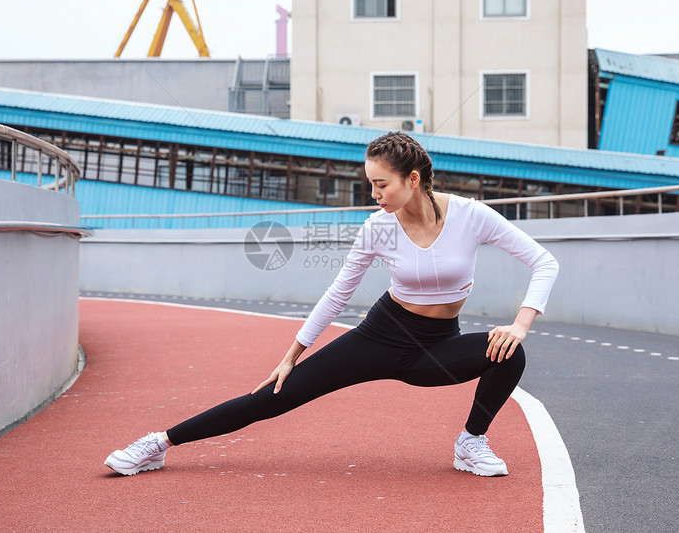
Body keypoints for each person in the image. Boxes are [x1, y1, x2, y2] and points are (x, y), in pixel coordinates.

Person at [105, 131, 559, 478]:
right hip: (381, 335)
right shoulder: (377, 228)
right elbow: (339, 292)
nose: (374, 195)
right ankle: (159, 443)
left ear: (412, 179)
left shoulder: (470, 215)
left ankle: (470, 442)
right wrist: (291, 355)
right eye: (371, 186)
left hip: (436, 348)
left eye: (381, 185)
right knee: (273, 397)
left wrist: (519, 324)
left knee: (510, 354)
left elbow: (544, 262)